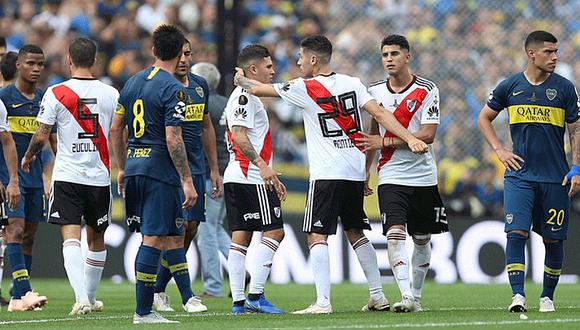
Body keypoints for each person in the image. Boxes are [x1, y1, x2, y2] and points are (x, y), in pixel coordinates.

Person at [235, 35, 427, 314]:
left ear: (313, 60)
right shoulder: (353, 83)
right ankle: (377, 295)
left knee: (316, 235)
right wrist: (409, 138)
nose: (298, 62)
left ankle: (322, 302)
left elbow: (257, 89)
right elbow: (381, 114)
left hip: (327, 172)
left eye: (301, 57)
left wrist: (241, 79)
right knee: (355, 231)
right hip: (353, 168)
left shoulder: (304, 87)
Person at [478, 30, 580, 313]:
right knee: (516, 232)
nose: (555, 57)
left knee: (553, 239)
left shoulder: (565, 88)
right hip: (519, 175)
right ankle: (518, 296)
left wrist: (577, 167)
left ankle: (547, 297)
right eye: (549, 52)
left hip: (555, 176)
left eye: (556, 52)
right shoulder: (510, 86)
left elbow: (576, 128)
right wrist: (499, 150)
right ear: (531, 53)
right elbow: (484, 117)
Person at [21, 37, 118, 315]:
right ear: (96, 60)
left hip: (67, 176)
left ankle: (82, 298)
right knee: (96, 239)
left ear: (69, 60)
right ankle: (90, 296)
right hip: (99, 176)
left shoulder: (55, 92)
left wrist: (29, 157)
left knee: (71, 239)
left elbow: (41, 135)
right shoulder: (111, 93)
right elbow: (116, 132)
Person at [110, 24, 195, 324]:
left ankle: (156, 305)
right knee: (154, 239)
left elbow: (115, 128)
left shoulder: (132, 82)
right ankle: (143, 312)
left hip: (134, 167)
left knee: (159, 235)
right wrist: (187, 180)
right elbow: (173, 138)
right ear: (178, 53)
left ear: (155, 50)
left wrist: (122, 168)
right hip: (160, 171)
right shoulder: (175, 89)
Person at [356, 34, 448, 313]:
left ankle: (416, 296)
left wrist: (387, 142)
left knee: (421, 238)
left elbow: (428, 135)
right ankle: (406, 295)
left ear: (407, 57)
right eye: (384, 55)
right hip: (390, 173)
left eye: (394, 54)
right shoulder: (374, 90)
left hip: (423, 176)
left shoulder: (427, 89)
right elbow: (373, 133)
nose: (389, 60)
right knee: (394, 233)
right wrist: (366, 170)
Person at [152, 40, 221, 313]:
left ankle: (158, 289)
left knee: (190, 230)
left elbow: (207, 128)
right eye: (179, 54)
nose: (183, 59)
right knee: (172, 231)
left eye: (188, 54)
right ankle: (178, 293)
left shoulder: (199, 85)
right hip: (167, 170)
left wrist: (214, 169)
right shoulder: (159, 86)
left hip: (197, 168)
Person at [225, 44, 287, 315]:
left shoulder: (247, 94)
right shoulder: (244, 97)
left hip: (237, 175)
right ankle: (256, 296)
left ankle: (239, 302)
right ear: (253, 69)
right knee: (275, 231)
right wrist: (263, 167)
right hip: (249, 176)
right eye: (268, 66)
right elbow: (239, 134)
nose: (273, 71)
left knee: (241, 237)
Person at [0, 45, 48, 312]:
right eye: (30, 63)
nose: (36, 69)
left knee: (28, 235)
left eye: (40, 64)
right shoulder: (4, 98)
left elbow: (49, 140)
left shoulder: (43, 100)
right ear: (18, 65)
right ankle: (26, 291)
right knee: (14, 230)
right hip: (9, 177)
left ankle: (17, 297)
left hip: (34, 179)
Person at [191, 62, 231, 299]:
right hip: (229, 171)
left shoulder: (201, 104)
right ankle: (243, 271)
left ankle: (214, 286)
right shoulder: (226, 103)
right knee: (215, 227)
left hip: (209, 173)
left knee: (205, 230)